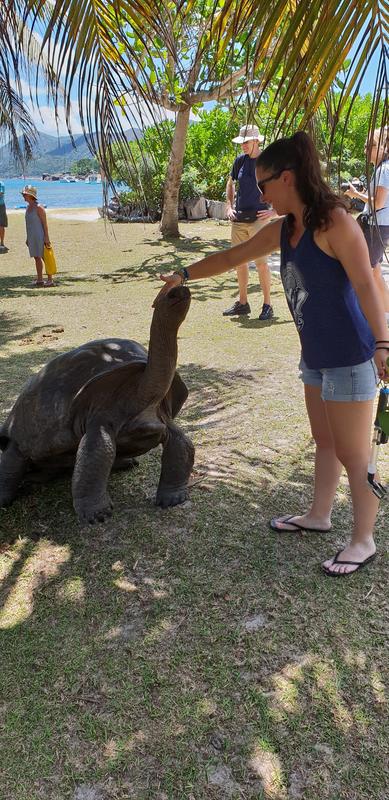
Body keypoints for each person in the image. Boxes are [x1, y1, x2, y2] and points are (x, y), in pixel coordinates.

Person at [157, 131, 389, 577]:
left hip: (350, 356)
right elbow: (234, 256)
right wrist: (183, 274)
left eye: (264, 184)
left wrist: (383, 343)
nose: (259, 192)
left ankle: (363, 540)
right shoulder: (287, 228)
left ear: (287, 178)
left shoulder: (335, 222)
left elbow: (366, 283)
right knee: (325, 442)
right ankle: (319, 516)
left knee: (355, 455)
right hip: (316, 356)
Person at [223, 124, 275, 320]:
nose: (243, 146)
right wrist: (229, 206)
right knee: (239, 262)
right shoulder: (239, 162)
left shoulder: (267, 163)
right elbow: (231, 183)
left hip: (259, 221)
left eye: (246, 142)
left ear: (256, 141)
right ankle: (243, 304)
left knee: (261, 264)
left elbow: (283, 186)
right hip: (239, 220)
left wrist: (274, 211)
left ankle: (268, 305)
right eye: (241, 142)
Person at [345, 126, 389, 314]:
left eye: (371, 145)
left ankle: (368, 315)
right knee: (375, 272)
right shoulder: (381, 169)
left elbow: (378, 203)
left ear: (384, 146)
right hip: (376, 225)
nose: (366, 150)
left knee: (367, 274)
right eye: (366, 145)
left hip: (377, 226)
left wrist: (356, 194)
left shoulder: (384, 169)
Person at [22, 185, 54, 287]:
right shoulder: (28, 207)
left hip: (40, 236)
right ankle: (40, 279)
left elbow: (45, 224)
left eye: (25, 194)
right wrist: (28, 238)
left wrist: (46, 237)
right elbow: (29, 224)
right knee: (36, 257)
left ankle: (50, 280)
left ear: (31, 195)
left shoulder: (39, 207)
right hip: (32, 236)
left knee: (45, 257)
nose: (23, 196)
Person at [0, 178, 8, 252]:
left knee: (1, 225)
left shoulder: (1, 183)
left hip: (1, 206)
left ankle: (2, 243)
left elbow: (1, 193)